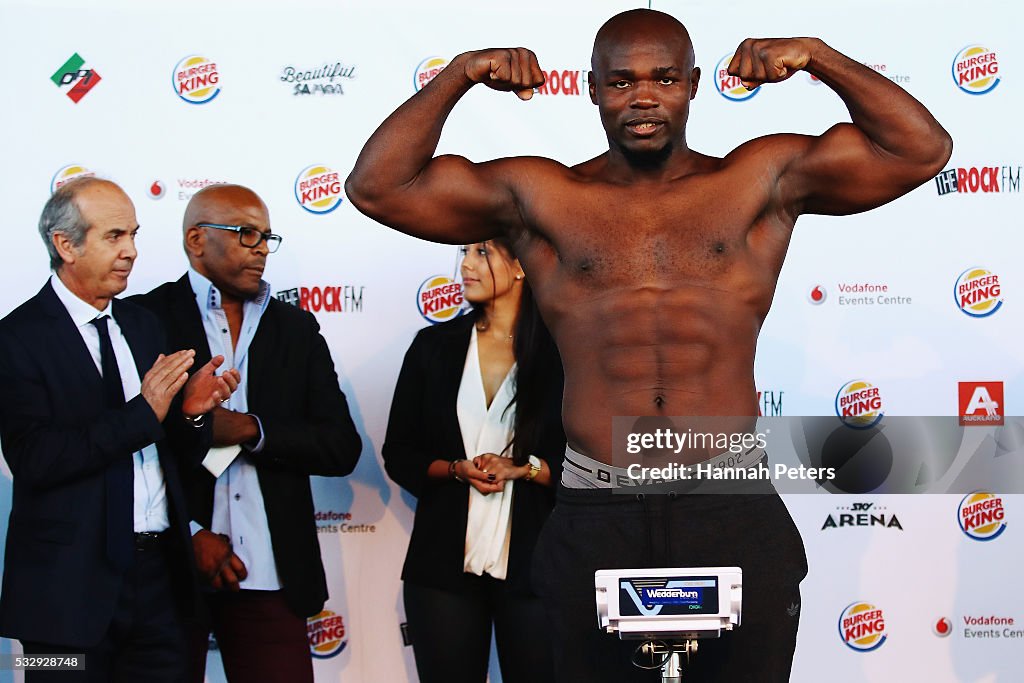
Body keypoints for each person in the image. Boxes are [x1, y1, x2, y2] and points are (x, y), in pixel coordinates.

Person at [346, 8, 952, 682]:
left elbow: (919, 150)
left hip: (728, 504)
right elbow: (377, 187)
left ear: (693, 83)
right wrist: (460, 73)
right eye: (621, 81)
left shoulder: (757, 181)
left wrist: (817, 55)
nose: (642, 97)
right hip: (598, 509)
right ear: (590, 89)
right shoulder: (541, 195)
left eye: (663, 77)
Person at [0, 177, 239, 682]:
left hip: (159, 587)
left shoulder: (144, 323)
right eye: (114, 237)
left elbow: (168, 450)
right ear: (65, 245)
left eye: (133, 235)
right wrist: (144, 411)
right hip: (62, 602)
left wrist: (191, 414)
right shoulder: (15, 338)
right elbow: (34, 458)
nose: (131, 252)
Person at [130, 184, 363, 683]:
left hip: (272, 572)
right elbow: (129, 447)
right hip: (169, 571)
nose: (260, 246)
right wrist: (187, 534)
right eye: (246, 233)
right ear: (196, 240)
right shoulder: (143, 319)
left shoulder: (296, 328)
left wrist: (251, 429)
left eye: (266, 236)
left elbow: (340, 445)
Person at [383, 237, 564, 683]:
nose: (465, 264)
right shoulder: (433, 345)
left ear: (521, 264)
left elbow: (594, 463)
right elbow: (399, 452)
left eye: (482, 252)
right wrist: (454, 469)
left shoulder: (564, 353)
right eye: (464, 252)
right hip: (441, 569)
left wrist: (528, 469)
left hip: (537, 569)